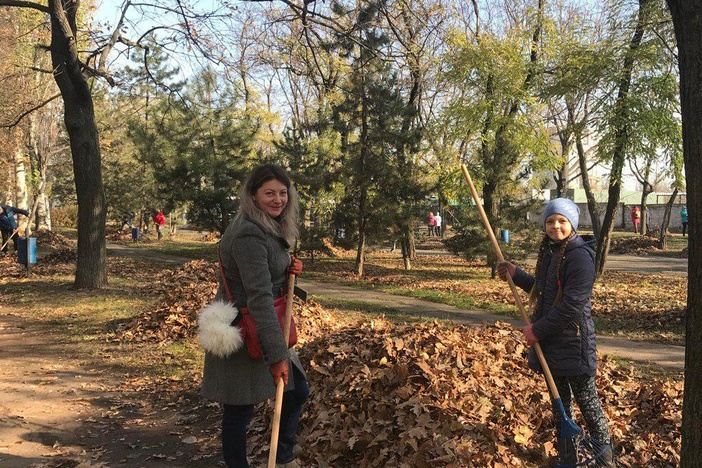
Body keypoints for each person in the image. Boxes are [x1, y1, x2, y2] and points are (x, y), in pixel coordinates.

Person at [201, 164, 308, 468]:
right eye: (269, 193)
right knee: (239, 409)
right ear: (254, 195)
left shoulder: (266, 225)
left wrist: (288, 268)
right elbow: (259, 296)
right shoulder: (249, 232)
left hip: (266, 322)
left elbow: (266, 273)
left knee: (297, 391)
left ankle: (284, 457)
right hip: (246, 325)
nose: (278, 200)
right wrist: (277, 357)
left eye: (283, 193)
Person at [496, 198, 614, 467]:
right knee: (560, 405)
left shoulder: (580, 256)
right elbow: (546, 291)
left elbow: (572, 305)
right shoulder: (552, 251)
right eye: (550, 221)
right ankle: (568, 458)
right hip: (552, 344)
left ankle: (606, 461)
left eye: (562, 221)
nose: (555, 226)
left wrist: (537, 330)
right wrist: (517, 275)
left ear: (572, 223)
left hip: (574, 344)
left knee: (588, 404)